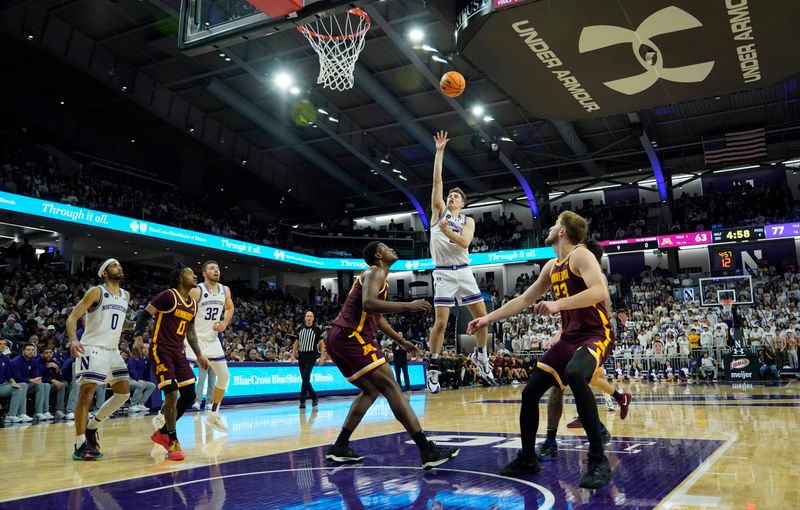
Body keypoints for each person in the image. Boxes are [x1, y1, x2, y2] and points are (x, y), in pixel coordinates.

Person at [468, 211, 613, 489]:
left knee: (575, 373)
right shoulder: (551, 266)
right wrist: (487, 318)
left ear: (562, 231)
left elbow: (599, 292)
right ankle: (527, 458)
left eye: (555, 223)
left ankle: (598, 459)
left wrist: (558, 305)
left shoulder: (581, 255)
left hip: (596, 334)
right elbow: (524, 299)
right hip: (570, 337)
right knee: (530, 391)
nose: (549, 226)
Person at [324, 241, 459, 468]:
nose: (393, 250)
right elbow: (368, 304)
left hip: (340, 338)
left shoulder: (379, 280)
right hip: (351, 336)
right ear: (378, 255)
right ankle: (427, 451)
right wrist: (409, 306)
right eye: (387, 247)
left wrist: (400, 340)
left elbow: (377, 316)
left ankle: (339, 446)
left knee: (372, 390)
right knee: (391, 388)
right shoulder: (375, 271)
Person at [537, 240, 632, 461]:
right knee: (567, 382)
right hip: (575, 336)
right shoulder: (568, 272)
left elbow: (595, 314)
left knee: (581, 377)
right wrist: (561, 334)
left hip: (595, 336)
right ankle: (609, 407)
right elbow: (574, 318)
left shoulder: (594, 279)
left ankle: (604, 415)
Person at [426, 131, 493, 393]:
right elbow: (437, 181)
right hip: (442, 273)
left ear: (462, 203)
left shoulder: (468, 221)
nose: (451, 198)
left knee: (483, 320)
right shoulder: (437, 213)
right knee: (441, 323)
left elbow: (464, 243)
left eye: (455, 197)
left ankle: (481, 354)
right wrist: (440, 151)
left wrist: (446, 232)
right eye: (449, 196)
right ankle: (433, 368)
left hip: (464, 272)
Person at [133, 263, 208, 461]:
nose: (194, 275)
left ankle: (163, 432)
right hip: (161, 350)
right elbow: (145, 315)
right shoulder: (168, 295)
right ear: (179, 278)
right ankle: (172, 441)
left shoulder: (192, 304)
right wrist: (139, 337)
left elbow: (190, 332)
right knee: (172, 393)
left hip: (179, 353)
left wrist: (199, 354)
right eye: (190, 272)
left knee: (190, 394)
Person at [66, 258, 132, 460]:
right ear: (104, 273)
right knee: (87, 394)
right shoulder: (96, 291)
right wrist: (73, 340)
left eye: (120, 265)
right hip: (92, 347)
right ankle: (79, 444)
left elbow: (117, 321)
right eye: (114, 265)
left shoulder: (125, 296)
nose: (119, 267)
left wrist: (138, 327)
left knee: (123, 394)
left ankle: (92, 427)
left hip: (112, 351)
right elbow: (72, 318)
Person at [183, 260, 233, 432]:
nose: (216, 270)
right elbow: (184, 311)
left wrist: (225, 322)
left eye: (218, 268)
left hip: (212, 340)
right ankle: (163, 415)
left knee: (224, 376)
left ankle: (213, 414)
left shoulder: (225, 290)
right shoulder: (197, 290)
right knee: (184, 380)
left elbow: (230, 308)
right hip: (193, 339)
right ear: (204, 273)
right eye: (212, 268)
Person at [291, 311, 326, 409]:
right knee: (305, 379)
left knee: (306, 377)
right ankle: (314, 397)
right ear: (305, 318)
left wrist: (322, 357)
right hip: (301, 355)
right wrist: (293, 355)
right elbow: (296, 342)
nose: (309, 318)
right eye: (307, 316)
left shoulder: (317, 329)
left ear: (313, 318)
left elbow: (322, 344)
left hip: (311, 356)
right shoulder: (300, 328)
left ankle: (302, 401)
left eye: (311, 316)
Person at [0, 338, 30, 423]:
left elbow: (8, 373)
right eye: (0, 344)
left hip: (4, 384)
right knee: (18, 389)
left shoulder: (5, 358)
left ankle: (22, 413)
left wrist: (13, 382)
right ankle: (11, 415)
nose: (2, 346)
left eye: (4, 344)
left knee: (23, 385)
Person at [127, 342, 156, 412]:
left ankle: (140, 404)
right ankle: (132, 405)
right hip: (128, 380)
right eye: (144, 348)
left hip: (137, 380)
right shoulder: (134, 356)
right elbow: (131, 370)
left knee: (152, 386)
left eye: (148, 348)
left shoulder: (146, 358)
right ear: (140, 349)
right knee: (141, 384)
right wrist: (138, 379)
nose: (146, 350)